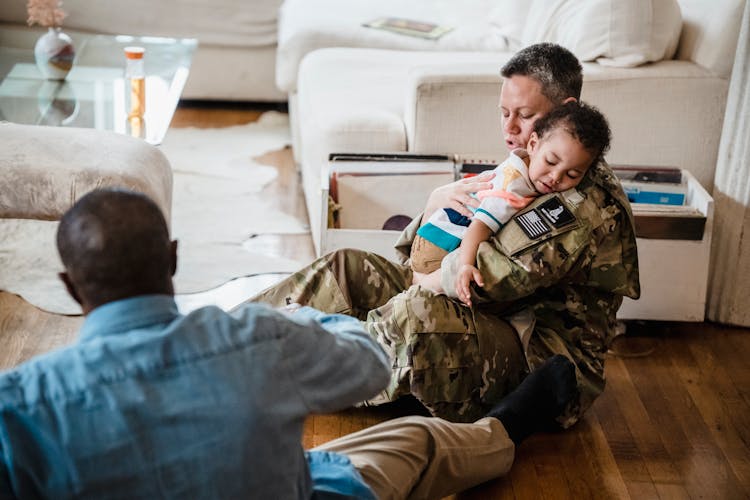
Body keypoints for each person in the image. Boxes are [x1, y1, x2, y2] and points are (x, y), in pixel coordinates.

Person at [0, 188, 579, 499]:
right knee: (417, 440)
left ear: (70, 287)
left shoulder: (19, 404)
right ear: (174, 258)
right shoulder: (261, 339)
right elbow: (372, 366)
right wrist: (307, 321)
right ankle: (504, 427)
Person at [249, 42, 640, 427]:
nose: (510, 128)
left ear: (565, 110)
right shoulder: (527, 161)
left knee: (416, 314)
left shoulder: (577, 199)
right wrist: (435, 202)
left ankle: (277, 368)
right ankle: (224, 340)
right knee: (347, 268)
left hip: (538, 358)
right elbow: (422, 250)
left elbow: (488, 279)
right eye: (504, 113)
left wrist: (423, 282)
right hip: (484, 313)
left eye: (524, 115)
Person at [411, 102, 611, 308]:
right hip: (439, 244)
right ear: (532, 145)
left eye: (572, 174)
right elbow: (479, 226)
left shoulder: (526, 166)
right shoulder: (512, 187)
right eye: (551, 162)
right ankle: (421, 283)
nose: (555, 177)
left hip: (436, 235)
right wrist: (464, 266)